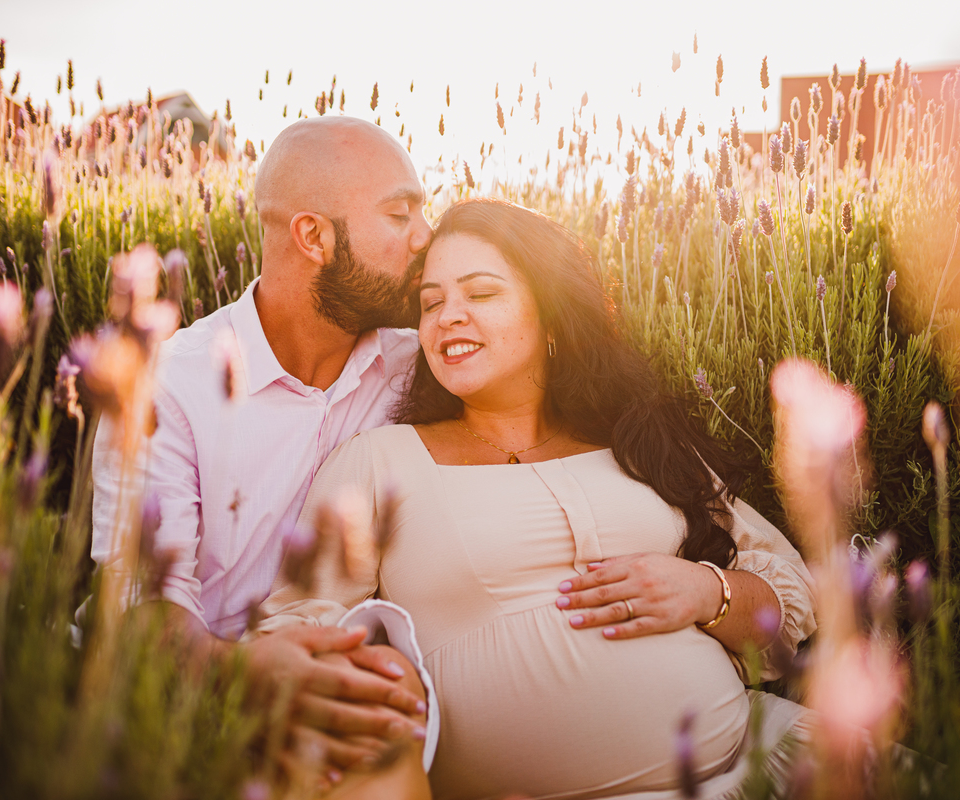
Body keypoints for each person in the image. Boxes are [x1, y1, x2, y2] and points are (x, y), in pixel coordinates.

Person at [253, 198, 817, 799]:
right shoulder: (381, 461)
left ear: (550, 313)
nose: (449, 317)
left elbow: (785, 613)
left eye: (482, 293)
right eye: (432, 303)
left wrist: (709, 591)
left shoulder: (640, 442)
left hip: (763, 766)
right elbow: (290, 634)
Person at [90, 116, 436, 786]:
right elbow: (140, 607)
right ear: (312, 235)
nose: (426, 236)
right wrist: (242, 671)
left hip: (339, 689)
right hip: (172, 705)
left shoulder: (417, 365)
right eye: (400, 214)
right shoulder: (170, 385)